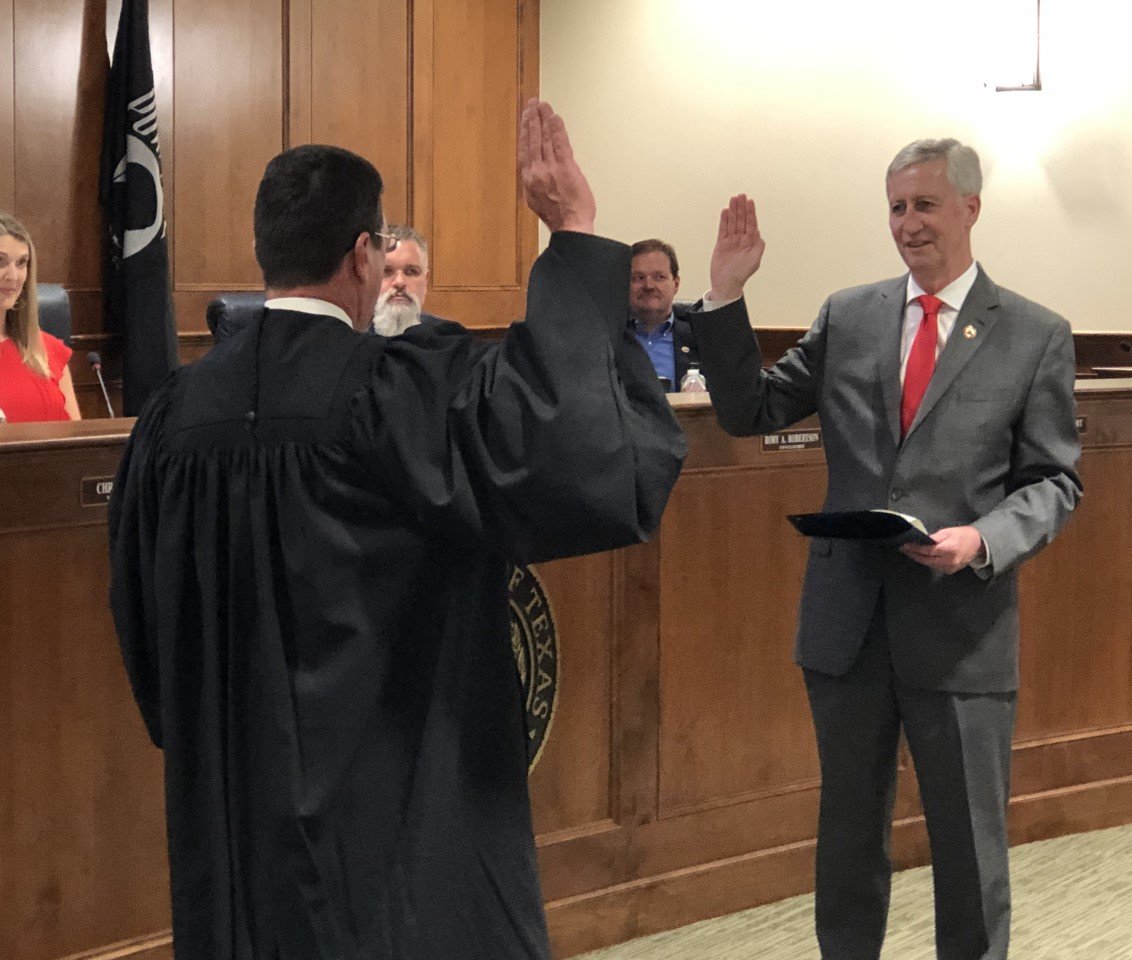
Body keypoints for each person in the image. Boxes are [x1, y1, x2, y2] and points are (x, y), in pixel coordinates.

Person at [109, 100, 686, 960]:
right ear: (364, 256)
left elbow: (140, 611)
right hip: (399, 801)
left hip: (236, 804)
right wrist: (573, 239)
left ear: (266, 251)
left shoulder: (173, 416)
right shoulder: (399, 390)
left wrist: (209, 732)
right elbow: (575, 460)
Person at [691, 140, 1083, 960]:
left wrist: (984, 538)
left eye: (926, 206)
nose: (908, 224)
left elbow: (1053, 483)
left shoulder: (1035, 334)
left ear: (971, 209)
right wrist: (726, 295)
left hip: (960, 627)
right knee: (846, 844)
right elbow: (749, 411)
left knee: (969, 850)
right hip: (849, 626)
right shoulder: (850, 314)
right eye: (897, 207)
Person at [0, 213, 81, 422]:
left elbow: (78, 443)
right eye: (1, 261)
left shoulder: (47, 349)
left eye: (21, 263)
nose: (13, 276)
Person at [629, 238, 700, 391]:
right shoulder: (608, 338)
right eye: (639, 278)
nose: (648, 286)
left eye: (659, 277)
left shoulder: (701, 338)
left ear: (676, 284)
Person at [372, 223, 439, 336]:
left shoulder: (448, 341)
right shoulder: (349, 342)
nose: (399, 282)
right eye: (387, 271)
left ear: (426, 280)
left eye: (411, 271)